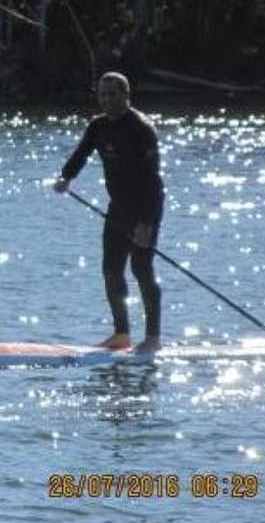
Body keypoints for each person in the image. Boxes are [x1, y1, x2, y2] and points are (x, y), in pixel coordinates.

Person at [53, 72, 164, 354]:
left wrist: (146, 224)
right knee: (111, 270)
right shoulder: (98, 126)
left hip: (145, 206)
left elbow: (151, 181)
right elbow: (81, 154)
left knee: (141, 269)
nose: (107, 100)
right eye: (102, 95)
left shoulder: (142, 129)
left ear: (126, 96)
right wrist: (66, 177)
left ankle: (153, 338)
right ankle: (122, 334)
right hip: (118, 207)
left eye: (113, 94)